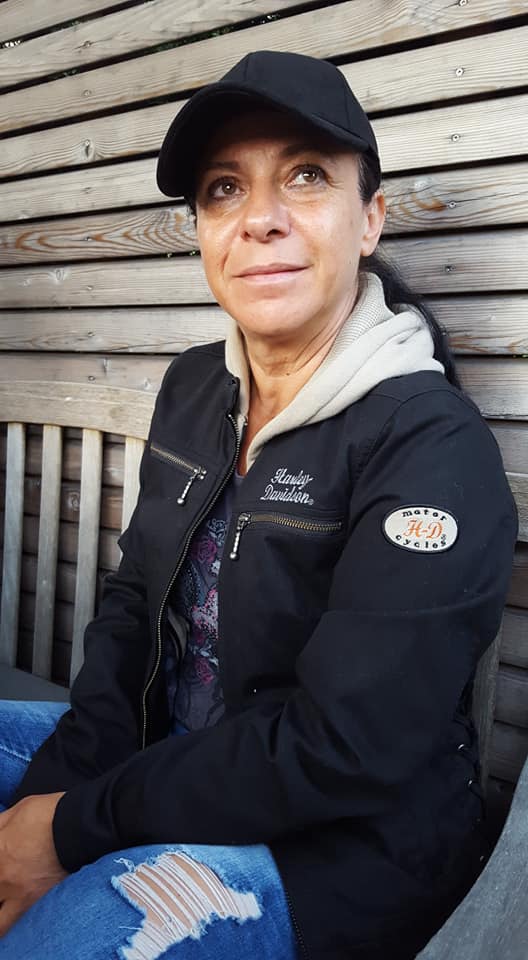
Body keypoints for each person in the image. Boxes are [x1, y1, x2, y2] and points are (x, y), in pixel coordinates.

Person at [0, 50, 518, 960]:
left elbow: (343, 747)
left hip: (329, 849)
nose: (260, 219)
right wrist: (57, 791)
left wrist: (73, 826)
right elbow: (134, 603)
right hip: (164, 761)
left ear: (371, 219)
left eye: (306, 175)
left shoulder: (431, 446)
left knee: (82, 937)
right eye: (224, 189)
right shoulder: (196, 386)